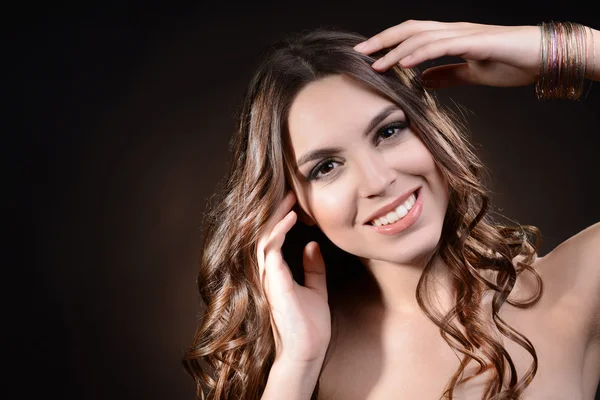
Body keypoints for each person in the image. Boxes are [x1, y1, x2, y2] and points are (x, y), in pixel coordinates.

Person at [182, 20, 600, 399]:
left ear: (429, 130)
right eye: (326, 167)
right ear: (296, 205)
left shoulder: (574, 288)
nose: (379, 180)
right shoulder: (296, 361)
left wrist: (559, 50)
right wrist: (299, 366)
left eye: (388, 131)